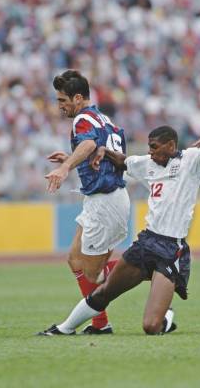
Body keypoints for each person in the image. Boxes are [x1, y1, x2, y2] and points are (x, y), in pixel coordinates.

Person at [38, 126, 200, 335]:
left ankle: (166, 316)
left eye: (154, 147)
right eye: (149, 147)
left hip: (171, 250)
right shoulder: (147, 164)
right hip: (147, 243)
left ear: (170, 146)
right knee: (104, 292)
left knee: (151, 327)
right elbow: (122, 160)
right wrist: (97, 152)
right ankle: (65, 329)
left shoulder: (191, 159)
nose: (150, 152)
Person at [44, 70, 130, 334]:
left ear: (78, 98)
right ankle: (100, 324)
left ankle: (148, 268)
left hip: (106, 201)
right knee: (75, 260)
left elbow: (90, 144)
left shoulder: (82, 118)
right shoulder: (102, 117)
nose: (60, 106)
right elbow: (104, 149)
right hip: (101, 200)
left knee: (93, 274)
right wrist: (71, 157)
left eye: (62, 100)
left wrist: (66, 167)